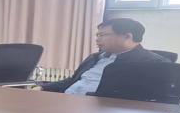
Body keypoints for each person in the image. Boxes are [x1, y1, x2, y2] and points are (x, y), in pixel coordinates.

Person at [40, 18, 169, 95]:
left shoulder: (153, 64)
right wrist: (42, 87)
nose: (97, 39)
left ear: (127, 36)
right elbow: (73, 81)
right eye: (97, 35)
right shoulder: (95, 58)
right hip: (67, 103)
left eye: (103, 35)